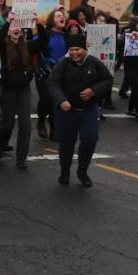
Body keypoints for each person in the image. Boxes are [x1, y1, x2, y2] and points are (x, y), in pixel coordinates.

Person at [46, 33, 112, 187]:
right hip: (67, 111)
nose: (74, 53)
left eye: (78, 49)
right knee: (66, 142)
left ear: (85, 49)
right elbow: (52, 83)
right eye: (71, 49)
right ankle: (65, 171)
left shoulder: (94, 63)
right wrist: (61, 100)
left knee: (90, 139)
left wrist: (93, 90)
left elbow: (107, 79)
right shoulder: (63, 63)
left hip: (88, 110)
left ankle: (82, 170)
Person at [0, 23, 35, 168]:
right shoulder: (3, 46)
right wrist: (8, 21)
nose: (16, 28)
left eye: (18, 26)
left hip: (24, 89)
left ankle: (21, 158)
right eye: (13, 26)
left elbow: (43, 41)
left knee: (25, 124)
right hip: (8, 89)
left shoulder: (26, 45)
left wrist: (37, 22)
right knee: (8, 124)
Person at [30, 10, 68, 141]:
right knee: (46, 99)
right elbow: (34, 44)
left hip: (60, 74)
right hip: (44, 73)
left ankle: (54, 127)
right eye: (58, 16)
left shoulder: (66, 36)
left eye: (63, 16)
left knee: (56, 101)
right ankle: (41, 121)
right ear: (52, 20)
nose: (62, 17)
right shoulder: (45, 35)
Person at [118, 16, 138, 118]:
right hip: (130, 64)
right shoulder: (127, 33)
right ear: (134, 25)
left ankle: (130, 108)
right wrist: (129, 36)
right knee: (135, 86)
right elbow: (119, 41)